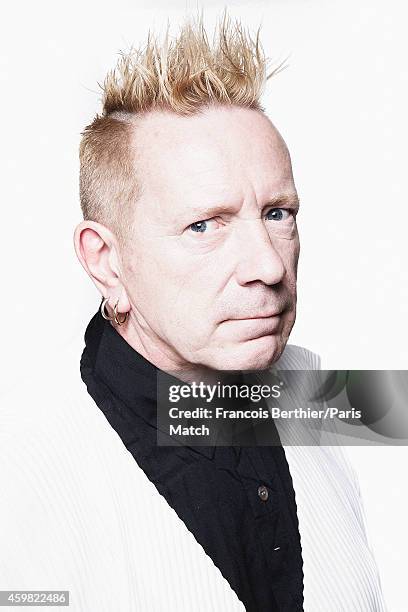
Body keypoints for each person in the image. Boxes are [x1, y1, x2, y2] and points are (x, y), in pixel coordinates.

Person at [0, 13, 386, 612]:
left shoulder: (317, 397)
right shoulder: (23, 471)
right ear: (105, 261)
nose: (268, 266)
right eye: (204, 224)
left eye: (278, 212)